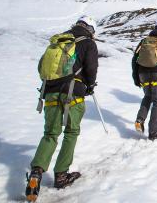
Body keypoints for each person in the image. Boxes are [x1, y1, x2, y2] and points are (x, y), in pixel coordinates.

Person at [26, 16, 99, 201]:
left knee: (50, 133)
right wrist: (90, 86)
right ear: (90, 29)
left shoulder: (57, 40)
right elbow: (91, 68)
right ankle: (61, 175)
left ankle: (36, 172)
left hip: (50, 93)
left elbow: (41, 66)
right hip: (73, 93)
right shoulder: (88, 43)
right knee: (71, 132)